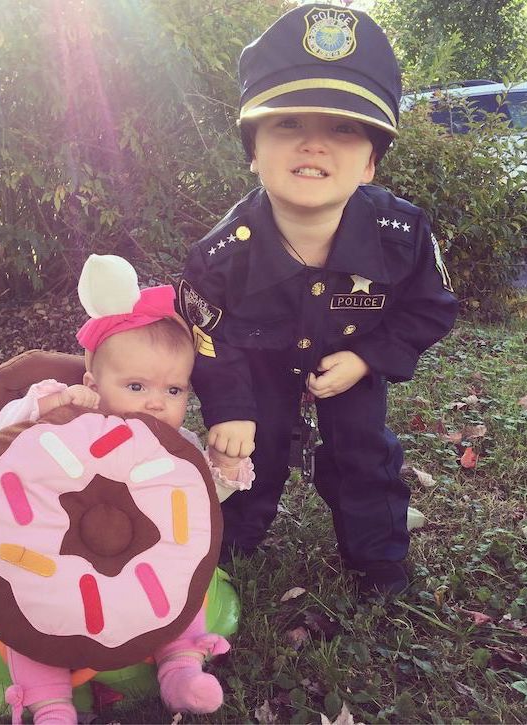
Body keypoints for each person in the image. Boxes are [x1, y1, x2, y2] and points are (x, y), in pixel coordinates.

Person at [177, 4, 458, 596]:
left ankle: (378, 558)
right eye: (287, 124)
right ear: (252, 148)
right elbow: (206, 335)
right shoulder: (219, 254)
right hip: (257, 367)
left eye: (343, 128)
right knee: (255, 448)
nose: (313, 143)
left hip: (354, 358)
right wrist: (230, 408)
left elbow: (430, 308)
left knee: (363, 451)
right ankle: (231, 542)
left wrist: (368, 358)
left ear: (372, 158)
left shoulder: (402, 234)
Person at [0, 254, 254, 724]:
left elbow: (200, 505)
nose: (157, 401)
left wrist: (226, 465)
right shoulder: (65, 415)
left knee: (183, 590)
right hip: (55, 558)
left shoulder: (176, 447)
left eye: (175, 391)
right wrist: (55, 405)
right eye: (136, 386)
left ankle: (180, 665)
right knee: (24, 614)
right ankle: (48, 702)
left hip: (141, 564)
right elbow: (4, 437)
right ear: (93, 382)